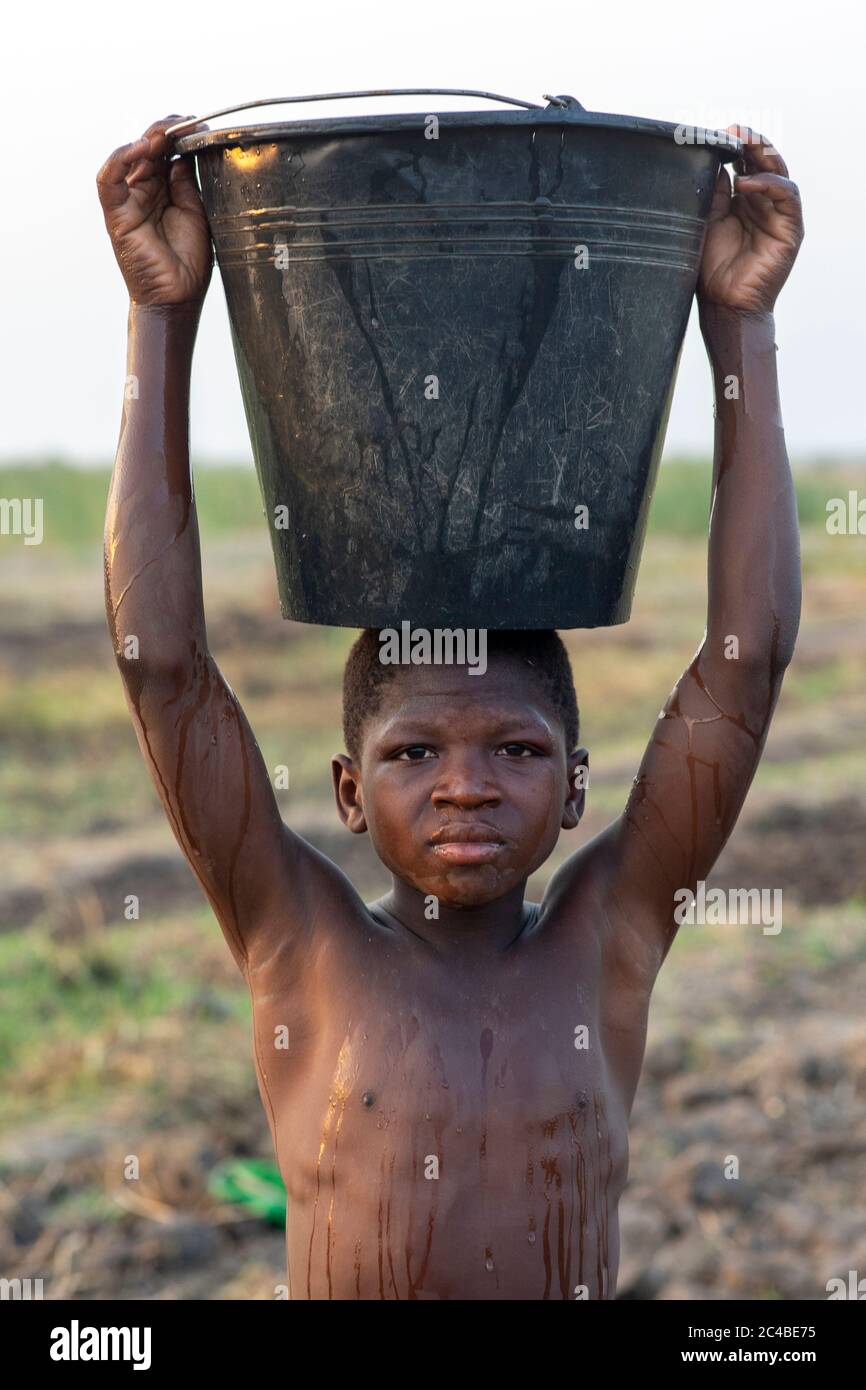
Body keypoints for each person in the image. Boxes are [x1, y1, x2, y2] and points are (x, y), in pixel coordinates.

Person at [97, 115, 803, 1299]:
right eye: (412, 749)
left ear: (579, 786)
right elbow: (161, 667)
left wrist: (736, 323)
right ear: (344, 790)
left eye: (517, 750)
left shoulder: (606, 943)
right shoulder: (300, 946)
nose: (464, 783)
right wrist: (163, 315)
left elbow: (745, 664)